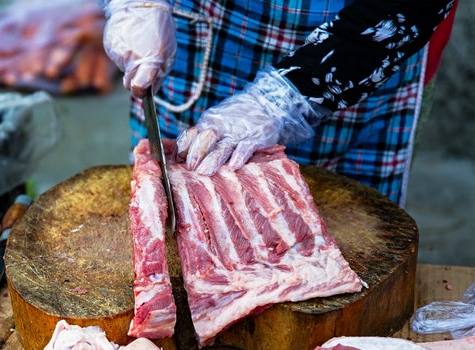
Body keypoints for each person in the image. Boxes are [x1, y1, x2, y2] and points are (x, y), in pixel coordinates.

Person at [99, 0, 457, 206]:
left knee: (336, 235)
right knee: (174, 196)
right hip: (209, 23)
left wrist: (281, 101)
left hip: (361, 43)